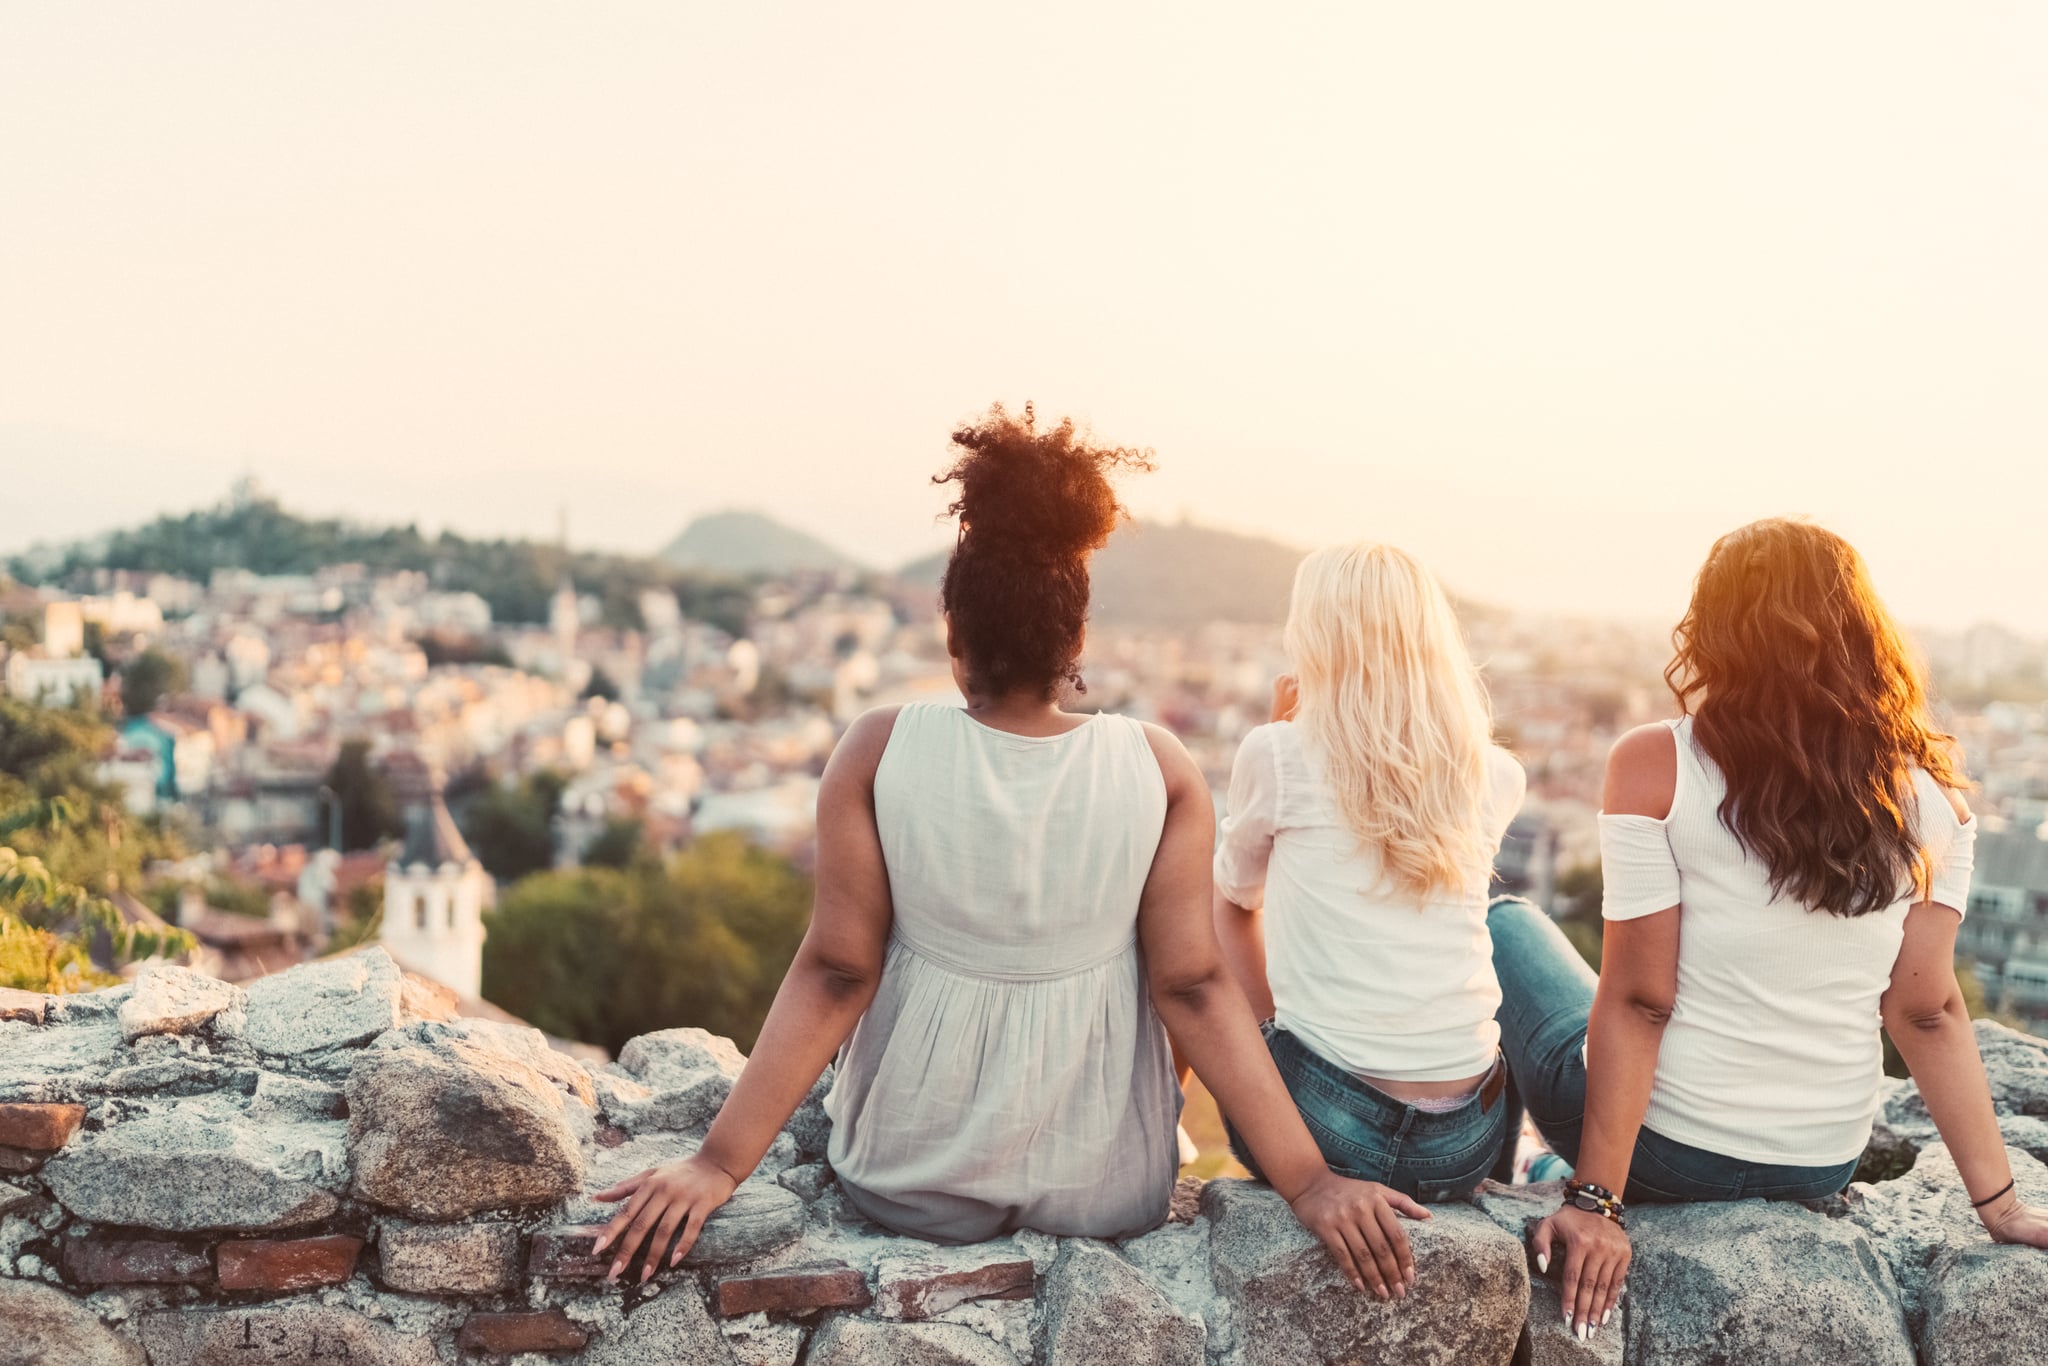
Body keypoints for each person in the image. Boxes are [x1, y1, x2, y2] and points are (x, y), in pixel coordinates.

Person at [591, 404, 1430, 1298]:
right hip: (1106, 1187)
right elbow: (1193, 985)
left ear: (955, 638)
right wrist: (1309, 1181)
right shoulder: (1158, 766)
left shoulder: (876, 749)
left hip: (906, 1179)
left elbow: (838, 971)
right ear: (1074, 645)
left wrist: (719, 1165)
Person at [1490, 518, 2048, 1345]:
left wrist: (1597, 1201)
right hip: (1816, 1162)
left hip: (1666, 1155)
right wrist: (2000, 1205)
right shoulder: (1935, 798)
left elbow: (1643, 999)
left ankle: (1522, 1171)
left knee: (1505, 921)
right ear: (1864, 636)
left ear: (1715, 632)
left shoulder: (1658, 762)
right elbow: (1927, 1013)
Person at [1212, 543, 1527, 1203]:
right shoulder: (1496, 774)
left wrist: (1275, 1042)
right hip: (1465, 1147)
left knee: (1211, 911)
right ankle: (1534, 1173)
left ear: (1316, 638)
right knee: (1508, 927)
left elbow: (1237, 902)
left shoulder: (1277, 753)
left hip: (1321, 1126)